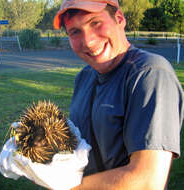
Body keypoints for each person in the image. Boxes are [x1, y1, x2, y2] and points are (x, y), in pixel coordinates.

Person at [53, 0, 184, 189]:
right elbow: (79, 145)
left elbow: (148, 181)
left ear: (119, 19)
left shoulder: (149, 73)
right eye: (75, 32)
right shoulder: (84, 78)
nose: (88, 42)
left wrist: (62, 186)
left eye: (95, 23)